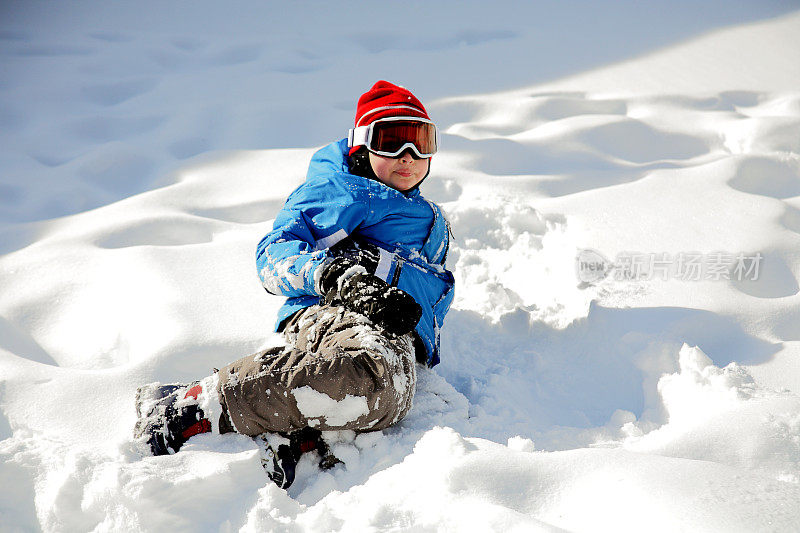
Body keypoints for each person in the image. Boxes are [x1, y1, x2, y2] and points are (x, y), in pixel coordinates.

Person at [133, 80, 455, 489]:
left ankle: (303, 429)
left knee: (390, 391)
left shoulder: (413, 207)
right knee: (376, 383)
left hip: (390, 329)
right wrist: (339, 277)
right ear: (361, 145)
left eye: (421, 142)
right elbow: (273, 253)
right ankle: (195, 403)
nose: (408, 157)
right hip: (340, 312)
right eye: (390, 142)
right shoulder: (341, 191)